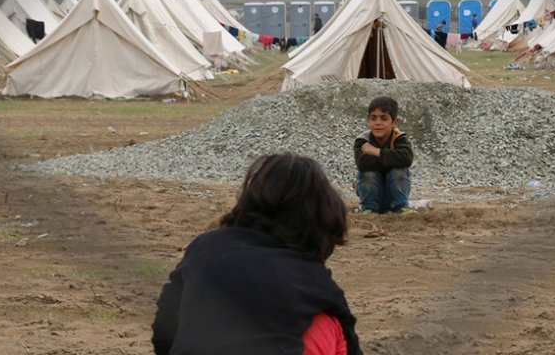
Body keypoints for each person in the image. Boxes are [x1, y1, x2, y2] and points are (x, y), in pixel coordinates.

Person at [151, 152, 363, 355]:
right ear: (322, 223)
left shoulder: (204, 247)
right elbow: (350, 342)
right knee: (327, 323)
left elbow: (164, 330)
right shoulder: (314, 280)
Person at [354, 96, 413, 215]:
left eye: (384, 118)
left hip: (394, 195)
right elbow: (363, 163)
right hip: (371, 194)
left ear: (394, 122)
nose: (378, 123)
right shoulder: (362, 140)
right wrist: (392, 160)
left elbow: (406, 158)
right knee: (368, 173)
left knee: (399, 172)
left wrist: (377, 152)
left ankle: (401, 207)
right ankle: (368, 208)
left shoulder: (400, 138)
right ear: (368, 121)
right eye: (373, 118)